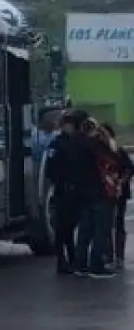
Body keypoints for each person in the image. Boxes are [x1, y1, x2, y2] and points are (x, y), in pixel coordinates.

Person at [69, 116, 118, 279]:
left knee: (84, 230)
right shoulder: (96, 146)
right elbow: (111, 159)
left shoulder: (74, 145)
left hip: (81, 192)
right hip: (98, 191)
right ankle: (96, 265)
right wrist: (105, 138)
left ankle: (80, 264)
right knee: (100, 229)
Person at [45, 110, 80, 275]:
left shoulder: (75, 142)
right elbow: (50, 169)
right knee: (62, 228)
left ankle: (72, 259)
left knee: (71, 227)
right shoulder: (57, 143)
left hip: (75, 190)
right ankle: (62, 260)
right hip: (63, 190)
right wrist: (59, 183)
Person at [100, 123, 132, 271]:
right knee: (106, 224)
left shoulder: (119, 151)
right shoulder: (98, 153)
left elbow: (130, 168)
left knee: (119, 223)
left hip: (120, 192)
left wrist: (120, 181)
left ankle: (119, 257)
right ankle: (107, 255)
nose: (103, 137)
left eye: (105, 134)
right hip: (104, 193)